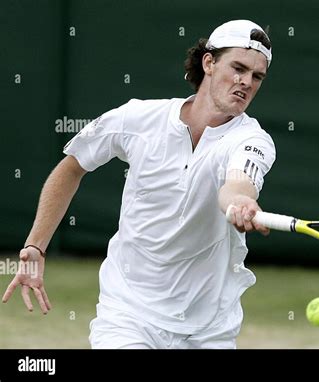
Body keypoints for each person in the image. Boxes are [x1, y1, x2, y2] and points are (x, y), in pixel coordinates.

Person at [2, 19, 276, 349]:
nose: (246, 82)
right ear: (209, 62)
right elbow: (72, 167)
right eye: (238, 68)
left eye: (256, 76)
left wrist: (241, 202)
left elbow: (237, 184)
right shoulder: (138, 119)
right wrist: (35, 246)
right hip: (128, 315)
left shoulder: (253, 140)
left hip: (208, 329)